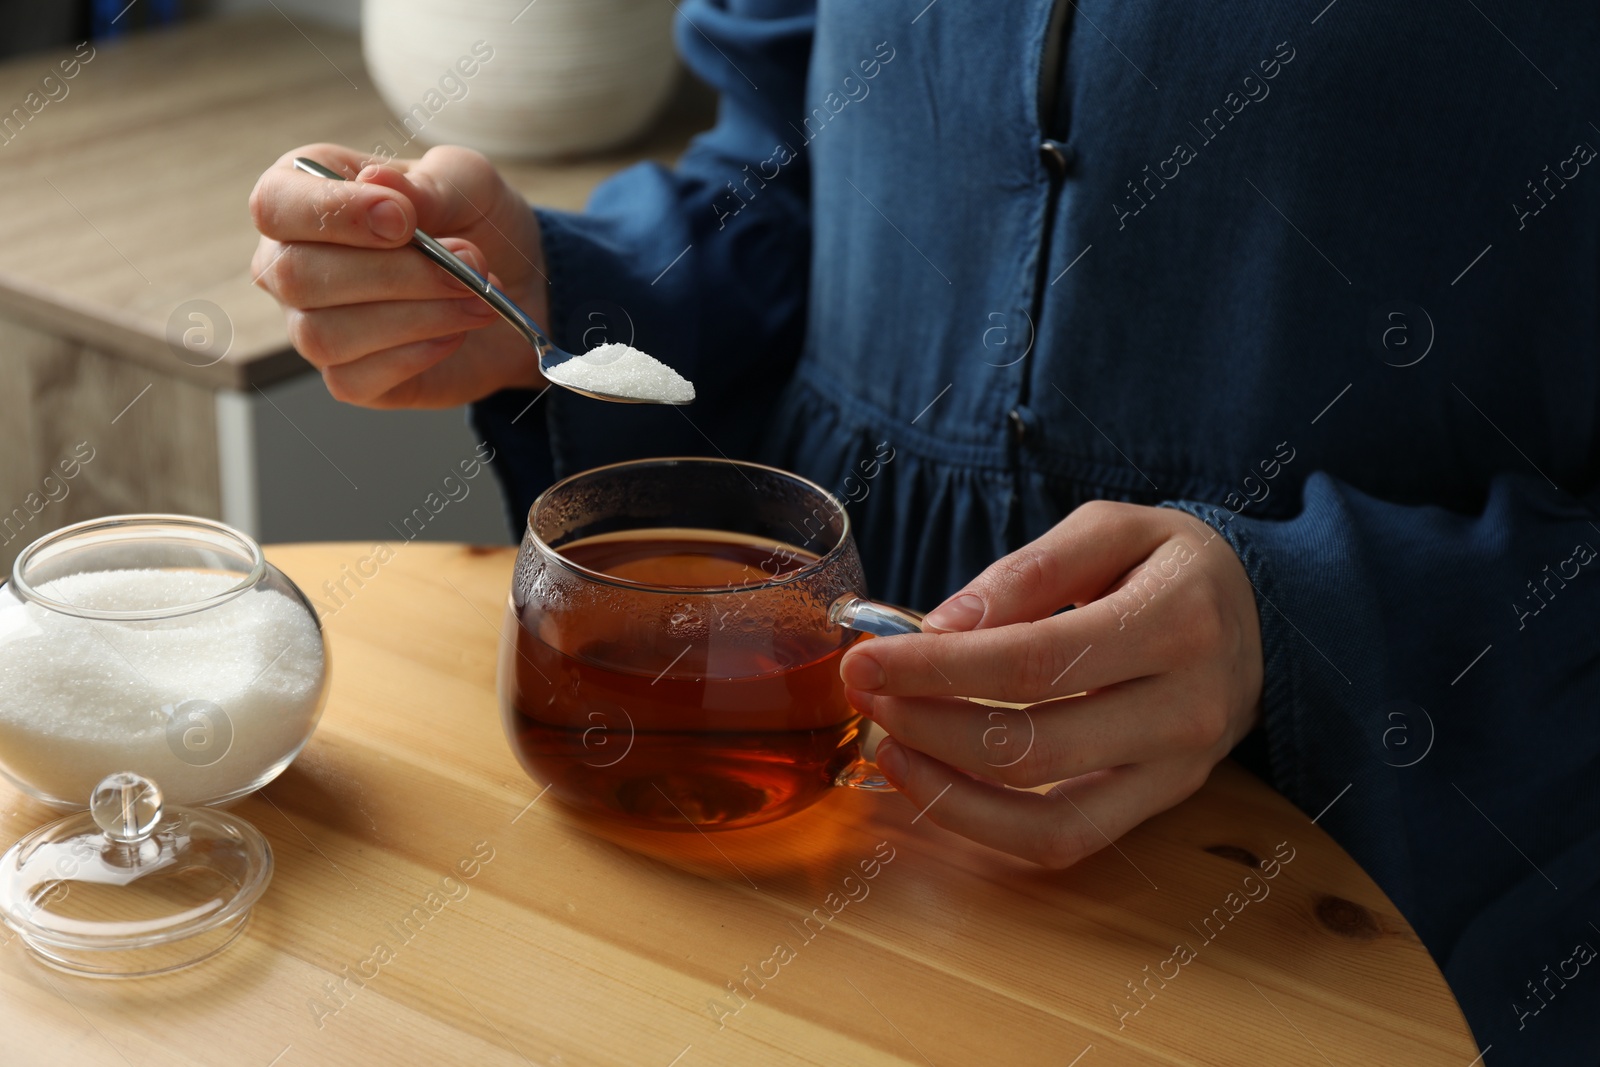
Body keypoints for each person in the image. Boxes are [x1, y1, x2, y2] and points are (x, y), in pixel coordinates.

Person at [251, 1, 1598, 1059]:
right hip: (827, 879)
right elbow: (785, 174)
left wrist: (1320, 619)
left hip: (1405, 920)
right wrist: (563, 294)